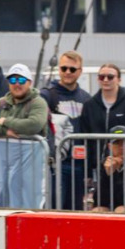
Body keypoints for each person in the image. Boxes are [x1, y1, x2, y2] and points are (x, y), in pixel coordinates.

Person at [41, 51, 92, 208]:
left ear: (80, 71)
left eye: (72, 69)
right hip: (55, 165)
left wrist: (90, 170)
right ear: (59, 69)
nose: (68, 72)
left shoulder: (87, 99)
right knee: (54, 209)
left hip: (79, 165)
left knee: (75, 211)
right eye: (64, 68)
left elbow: (90, 133)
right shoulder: (47, 95)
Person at [79, 62, 125, 179]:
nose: (105, 80)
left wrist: (124, 158)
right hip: (99, 168)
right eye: (101, 77)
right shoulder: (89, 105)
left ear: (119, 79)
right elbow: (85, 139)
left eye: (110, 77)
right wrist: (88, 171)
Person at [0, 64, 48, 139]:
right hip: (4, 146)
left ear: (30, 83)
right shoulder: (2, 102)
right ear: (8, 83)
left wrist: (5, 121)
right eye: (13, 80)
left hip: (31, 146)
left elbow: (34, 125)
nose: (17, 84)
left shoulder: (38, 102)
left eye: (21, 80)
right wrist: (4, 131)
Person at [89, 127, 125, 213]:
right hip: (118, 206)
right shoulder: (105, 163)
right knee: (98, 210)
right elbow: (100, 201)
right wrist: (109, 174)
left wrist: (115, 176)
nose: (122, 147)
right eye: (117, 143)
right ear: (109, 146)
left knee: (121, 210)